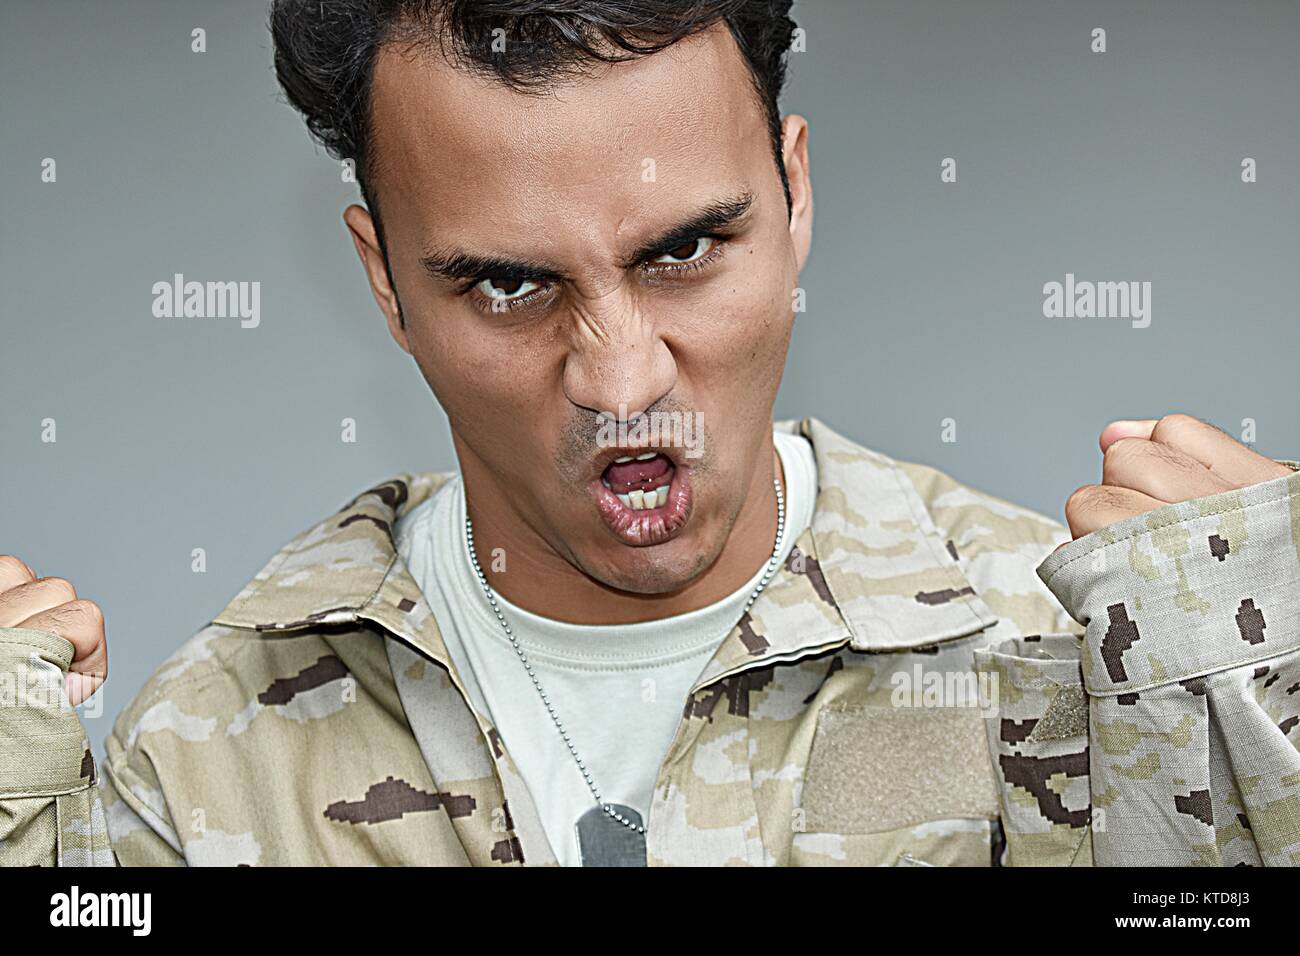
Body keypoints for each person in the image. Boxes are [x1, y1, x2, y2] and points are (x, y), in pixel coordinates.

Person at [2, 0, 1297, 867]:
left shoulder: (1095, 662)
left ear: (795, 194)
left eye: (684, 248)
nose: (619, 378)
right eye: (508, 285)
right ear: (386, 283)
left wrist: (1269, 714)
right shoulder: (200, 763)